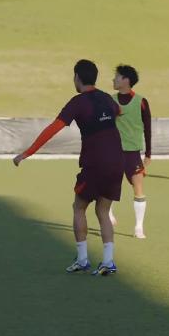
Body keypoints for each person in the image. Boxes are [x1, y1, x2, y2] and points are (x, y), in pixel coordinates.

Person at [13, 59, 124, 276]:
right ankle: (108, 261)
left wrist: (26, 153)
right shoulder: (106, 98)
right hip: (116, 161)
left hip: (95, 163)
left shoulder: (77, 102)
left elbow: (52, 129)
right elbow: (118, 111)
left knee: (79, 207)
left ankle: (82, 259)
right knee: (103, 210)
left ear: (77, 77)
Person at [109, 64, 152, 239]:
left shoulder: (141, 102)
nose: (113, 80)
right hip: (113, 152)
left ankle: (138, 227)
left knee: (138, 188)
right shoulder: (110, 101)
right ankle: (108, 214)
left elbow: (147, 128)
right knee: (109, 186)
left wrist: (148, 154)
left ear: (126, 80)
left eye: (117, 77)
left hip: (133, 154)